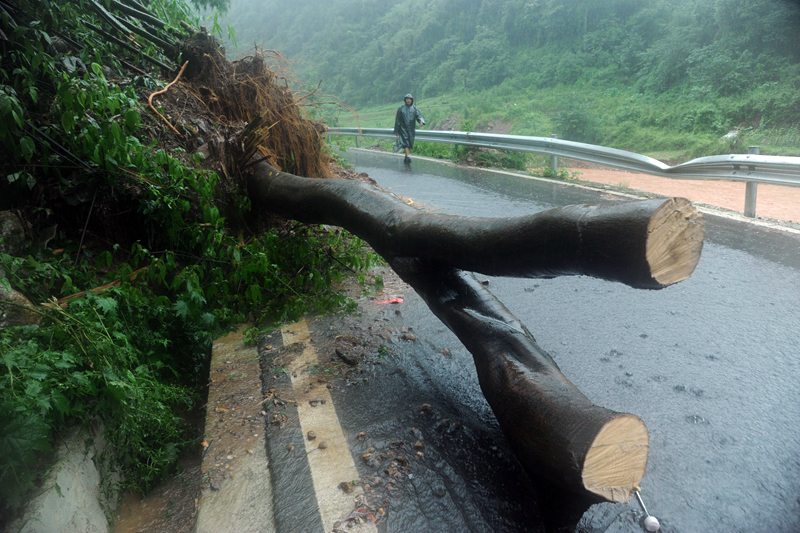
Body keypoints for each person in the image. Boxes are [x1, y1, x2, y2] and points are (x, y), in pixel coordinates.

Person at [394, 93, 425, 163]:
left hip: (411, 129)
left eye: (410, 99)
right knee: (406, 142)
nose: (408, 100)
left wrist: (421, 121)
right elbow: (398, 120)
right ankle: (408, 157)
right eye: (407, 99)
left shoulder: (414, 108)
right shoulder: (401, 108)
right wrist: (397, 130)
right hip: (403, 129)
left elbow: (419, 116)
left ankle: (406, 156)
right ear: (405, 100)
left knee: (410, 143)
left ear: (412, 100)